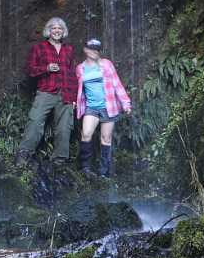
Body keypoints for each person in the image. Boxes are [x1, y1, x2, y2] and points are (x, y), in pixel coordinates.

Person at [17, 17, 78, 165]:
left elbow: (72, 74)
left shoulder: (68, 49)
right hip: (46, 91)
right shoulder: (39, 48)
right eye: (54, 28)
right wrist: (46, 68)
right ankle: (23, 155)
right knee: (35, 121)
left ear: (63, 31)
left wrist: (75, 97)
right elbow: (30, 70)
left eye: (60, 28)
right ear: (48, 31)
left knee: (64, 127)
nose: (57, 31)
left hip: (66, 93)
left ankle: (60, 160)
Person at [75, 38, 132, 177]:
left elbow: (117, 84)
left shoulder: (107, 64)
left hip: (108, 106)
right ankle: (85, 168)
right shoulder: (80, 68)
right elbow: (78, 89)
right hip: (91, 107)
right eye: (91, 48)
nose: (94, 51)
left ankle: (104, 172)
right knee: (86, 133)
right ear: (85, 49)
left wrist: (126, 103)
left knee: (106, 138)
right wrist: (74, 101)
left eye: (97, 49)